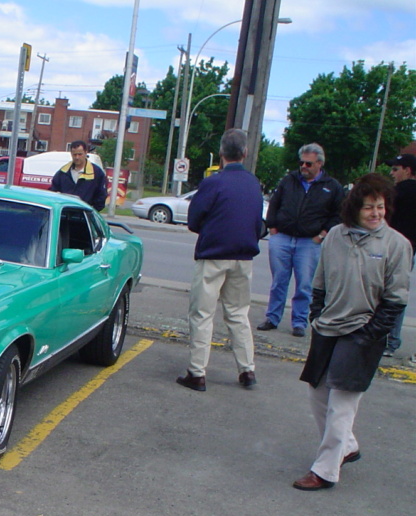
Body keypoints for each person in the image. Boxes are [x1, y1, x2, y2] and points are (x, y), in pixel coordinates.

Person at [293, 174, 411, 490]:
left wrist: (372, 332)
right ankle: (347, 446)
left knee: (342, 404)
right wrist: (317, 316)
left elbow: (396, 298)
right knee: (317, 393)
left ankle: (325, 470)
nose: (375, 213)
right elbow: (319, 283)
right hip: (328, 326)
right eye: (369, 207)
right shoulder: (335, 236)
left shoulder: (397, 245)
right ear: (355, 208)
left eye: (380, 207)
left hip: (362, 332)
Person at [176, 128, 265, 392]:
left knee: (203, 314)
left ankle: (197, 372)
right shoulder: (253, 183)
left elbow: (194, 220)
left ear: (222, 152)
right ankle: (247, 370)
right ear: (245, 153)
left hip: (213, 255)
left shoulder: (213, 182)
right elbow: (257, 222)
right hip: (244, 256)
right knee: (238, 314)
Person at [259, 143, 345, 337]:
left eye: (309, 163)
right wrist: (273, 227)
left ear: (319, 164)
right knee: (279, 281)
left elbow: (338, 214)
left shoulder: (332, 187)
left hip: (309, 242)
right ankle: (272, 318)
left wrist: (322, 235)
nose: (304, 167)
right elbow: (275, 203)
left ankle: (299, 322)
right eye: (301, 163)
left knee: (305, 284)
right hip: (283, 237)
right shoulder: (289, 180)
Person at [384, 153, 416, 357]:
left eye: (396, 169)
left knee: (386, 292)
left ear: (408, 170)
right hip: (409, 248)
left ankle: (387, 339)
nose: (392, 173)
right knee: (399, 291)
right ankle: (391, 339)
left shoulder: (397, 193)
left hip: (392, 247)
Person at [49, 140, 108, 211]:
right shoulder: (63, 172)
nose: (77, 157)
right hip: (64, 214)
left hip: (85, 215)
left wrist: (91, 211)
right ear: (71, 154)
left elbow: (101, 196)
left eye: (80, 154)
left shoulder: (97, 173)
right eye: (74, 154)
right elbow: (52, 192)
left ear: (86, 153)